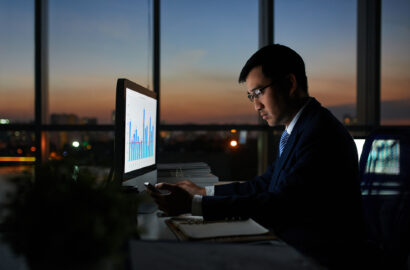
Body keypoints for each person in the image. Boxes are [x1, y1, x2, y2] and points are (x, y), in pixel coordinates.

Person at [149, 44, 367, 268]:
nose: (256, 106)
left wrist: (196, 205)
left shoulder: (320, 134)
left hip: (317, 258)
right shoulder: (301, 128)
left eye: (259, 93)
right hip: (295, 244)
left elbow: (281, 206)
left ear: (290, 84)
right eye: (251, 96)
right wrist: (205, 192)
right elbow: (265, 184)